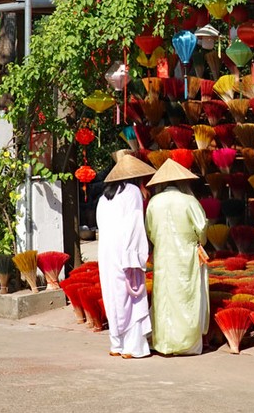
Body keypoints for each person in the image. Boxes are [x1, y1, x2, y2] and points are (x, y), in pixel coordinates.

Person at [95, 152, 155, 359]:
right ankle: (132, 346)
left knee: (113, 294)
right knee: (131, 294)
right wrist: (136, 255)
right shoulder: (132, 192)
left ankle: (116, 343)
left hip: (107, 251)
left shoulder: (104, 197)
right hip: (126, 249)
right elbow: (135, 224)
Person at [145, 159, 208, 355]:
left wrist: (160, 243)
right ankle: (187, 344)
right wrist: (199, 242)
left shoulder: (154, 203)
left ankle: (164, 342)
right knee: (186, 296)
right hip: (186, 256)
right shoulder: (189, 201)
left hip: (163, 255)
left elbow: (149, 231)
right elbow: (202, 227)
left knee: (164, 297)